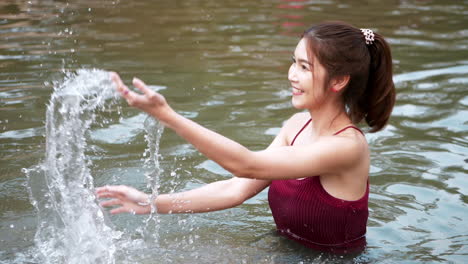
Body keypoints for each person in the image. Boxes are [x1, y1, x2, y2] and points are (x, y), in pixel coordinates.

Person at [96, 21, 396, 253]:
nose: (292, 74)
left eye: (305, 67)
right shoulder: (296, 126)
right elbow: (235, 189)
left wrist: (168, 116)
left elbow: (247, 165)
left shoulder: (347, 148)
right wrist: (150, 203)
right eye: (294, 62)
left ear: (339, 80)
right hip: (286, 251)